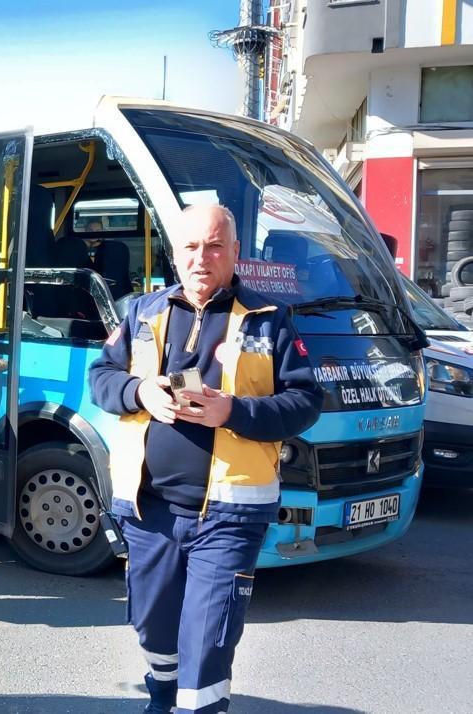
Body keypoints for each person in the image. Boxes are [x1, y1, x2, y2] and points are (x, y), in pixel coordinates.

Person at [89, 204, 322, 714]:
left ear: (235, 253)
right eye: (191, 247)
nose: (202, 258)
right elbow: (101, 378)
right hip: (149, 509)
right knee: (152, 623)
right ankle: (162, 695)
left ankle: (199, 707)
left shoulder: (269, 319)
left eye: (215, 246)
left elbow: (306, 401)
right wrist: (139, 392)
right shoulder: (142, 312)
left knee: (208, 635)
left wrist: (232, 411)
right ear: (176, 254)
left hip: (230, 514)